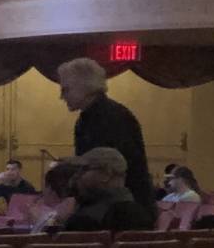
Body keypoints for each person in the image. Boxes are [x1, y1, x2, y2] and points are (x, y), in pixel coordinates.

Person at [57, 57, 154, 211]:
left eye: (66, 89)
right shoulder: (90, 118)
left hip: (121, 212)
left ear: (85, 86)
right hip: (114, 207)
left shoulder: (112, 118)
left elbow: (114, 167)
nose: (61, 97)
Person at [58, 145, 154, 234]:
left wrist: (60, 222)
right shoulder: (141, 214)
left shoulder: (85, 220)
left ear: (106, 174)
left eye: (84, 169)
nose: (77, 176)